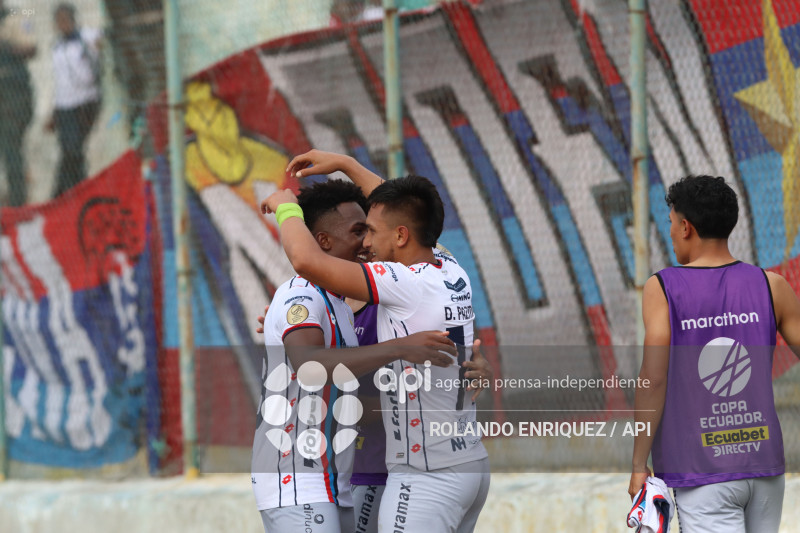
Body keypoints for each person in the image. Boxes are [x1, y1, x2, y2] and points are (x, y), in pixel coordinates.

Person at [263, 150, 492, 532]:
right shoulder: (449, 266)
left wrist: (287, 207)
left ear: (401, 236)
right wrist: (347, 165)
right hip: (470, 464)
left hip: (425, 476)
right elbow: (401, 210)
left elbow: (306, 260)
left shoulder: (401, 281)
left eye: (370, 231)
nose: (366, 242)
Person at [628, 175, 800, 532]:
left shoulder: (663, 288)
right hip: (765, 466)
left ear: (687, 227)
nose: (671, 233)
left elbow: (653, 379)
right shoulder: (772, 286)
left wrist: (638, 463)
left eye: (672, 224)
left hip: (701, 472)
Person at [47, 2, 102, 198]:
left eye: (65, 19)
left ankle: (61, 194)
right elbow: (60, 83)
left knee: (73, 150)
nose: (62, 24)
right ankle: (76, 191)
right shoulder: (57, 47)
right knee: (69, 152)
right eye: (58, 21)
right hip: (64, 107)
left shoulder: (87, 37)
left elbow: (104, 43)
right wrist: (53, 111)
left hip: (85, 102)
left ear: (73, 19)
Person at [0, 0, 35, 206]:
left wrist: (6, 45)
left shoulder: (18, 15)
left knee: (12, 146)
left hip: (13, 89)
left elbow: (32, 48)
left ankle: (18, 201)